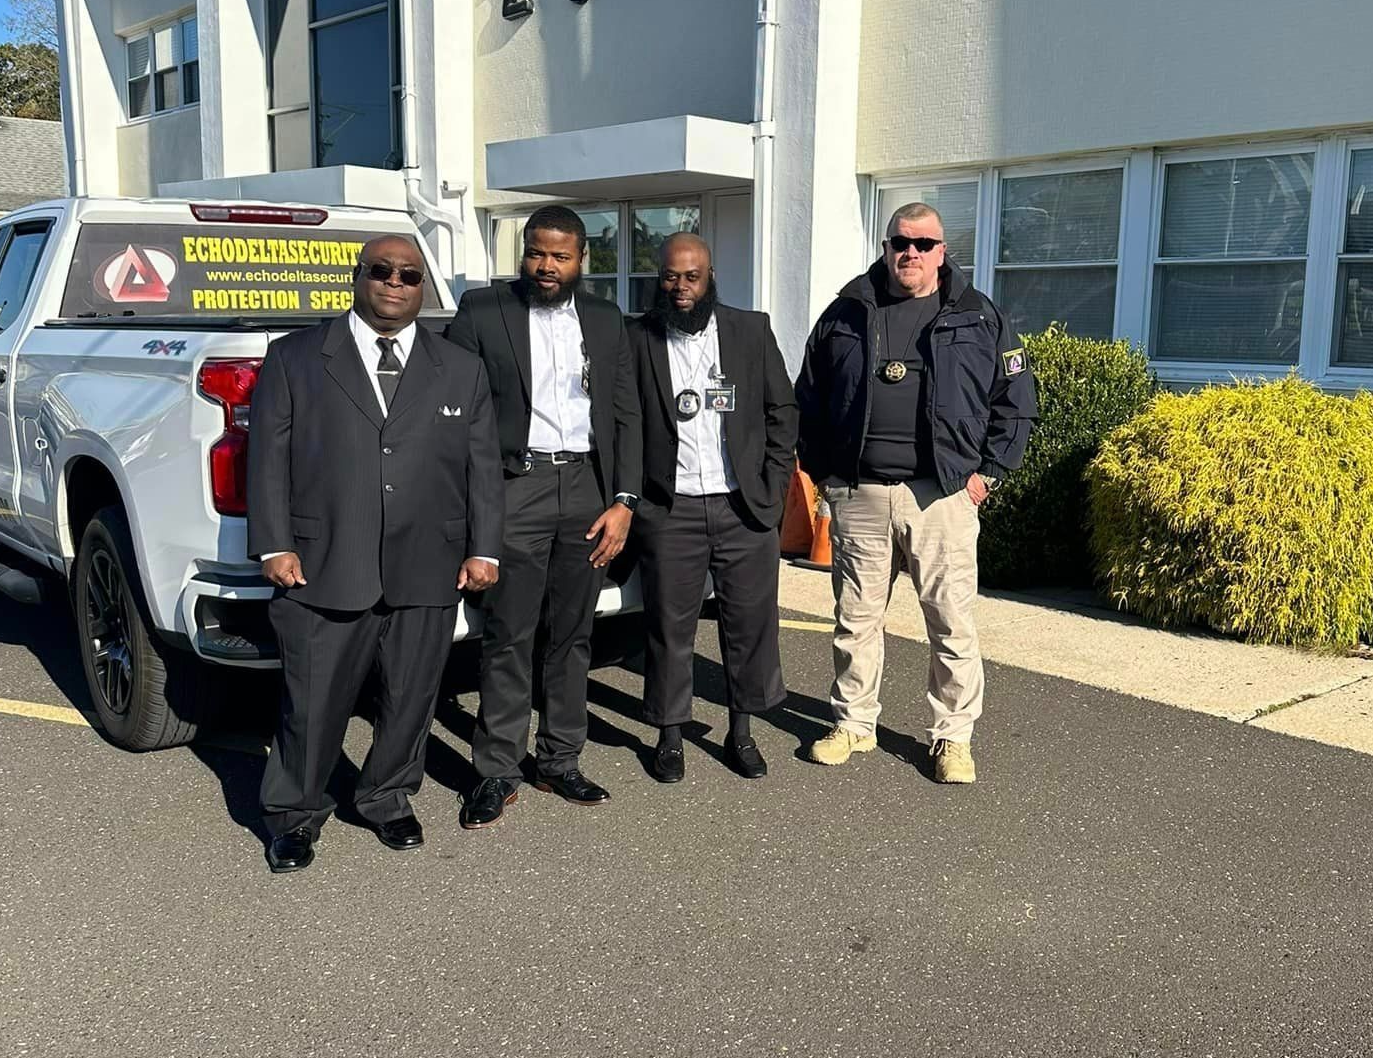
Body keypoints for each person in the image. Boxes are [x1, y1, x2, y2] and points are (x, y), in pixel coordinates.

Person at [247, 235, 503, 873]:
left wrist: (484, 550)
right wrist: (273, 544)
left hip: (430, 563)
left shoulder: (461, 368)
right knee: (312, 702)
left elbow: (482, 469)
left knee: (411, 698)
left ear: (424, 287)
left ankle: (386, 798)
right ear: (357, 277)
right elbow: (268, 459)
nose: (395, 282)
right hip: (323, 560)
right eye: (382, 271)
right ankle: (294, 815)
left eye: (409, 275)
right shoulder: (296, 357)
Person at [794, 201, 1036, 785]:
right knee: (855, 618)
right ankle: (854, 723)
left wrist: (986, 476)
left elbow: (1015, 403)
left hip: (943, 496)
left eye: (924, 244)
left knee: (951, 622)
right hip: (861, 493)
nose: (911, 252)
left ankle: (952, 738)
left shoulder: (980, 317)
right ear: (886, 245)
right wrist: (824, 474)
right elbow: (808, 400)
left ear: (942, 252)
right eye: (901, 241)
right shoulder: (846, 312)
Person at [444, 205, 642, 824]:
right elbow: (454, 406)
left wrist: (624, 502)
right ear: (523, 253)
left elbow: (627, 415)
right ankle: (497, 770)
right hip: (515, 487)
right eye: (536, 252)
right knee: (508, 635)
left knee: (573, 635)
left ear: (583, 260)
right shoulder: (483, 312)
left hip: (586, 489)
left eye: (560, 255)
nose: (546, 265)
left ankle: (560, 761)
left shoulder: (608, 321)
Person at [626, 233, 797, 782]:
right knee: (668, 629)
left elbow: (781, 410)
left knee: (749, 625)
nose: (680, 288)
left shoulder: (750, 329)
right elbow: (622, 421)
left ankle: (740, 731)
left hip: (742, 507)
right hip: (669, 509)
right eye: (671, 276)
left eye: (691, 276)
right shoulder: (638, 337)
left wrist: (771, 487)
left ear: (711, 276)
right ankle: (670, 736)